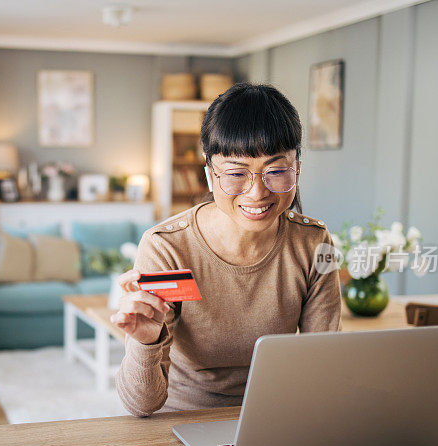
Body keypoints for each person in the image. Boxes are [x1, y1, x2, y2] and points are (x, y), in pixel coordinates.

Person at [112, 83, 342, 417]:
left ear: (298, 169)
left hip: (277, 416)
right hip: (184, 420)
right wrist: (146, 343)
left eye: (276, 171)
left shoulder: (313, 242)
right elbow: (141, 405)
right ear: (210, 176)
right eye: (236, 174)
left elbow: (323, 367)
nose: (256, 193)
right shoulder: (167, 246)